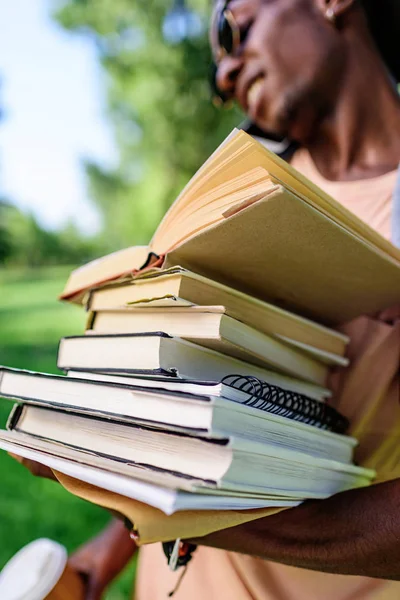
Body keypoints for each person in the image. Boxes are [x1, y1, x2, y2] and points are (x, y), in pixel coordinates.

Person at [14, 0, 400, 598]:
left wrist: (178, 504)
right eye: (217, 72)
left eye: (231, 27)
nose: (224, 77)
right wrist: (113, 544)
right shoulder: (244, 189)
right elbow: (197, 396)